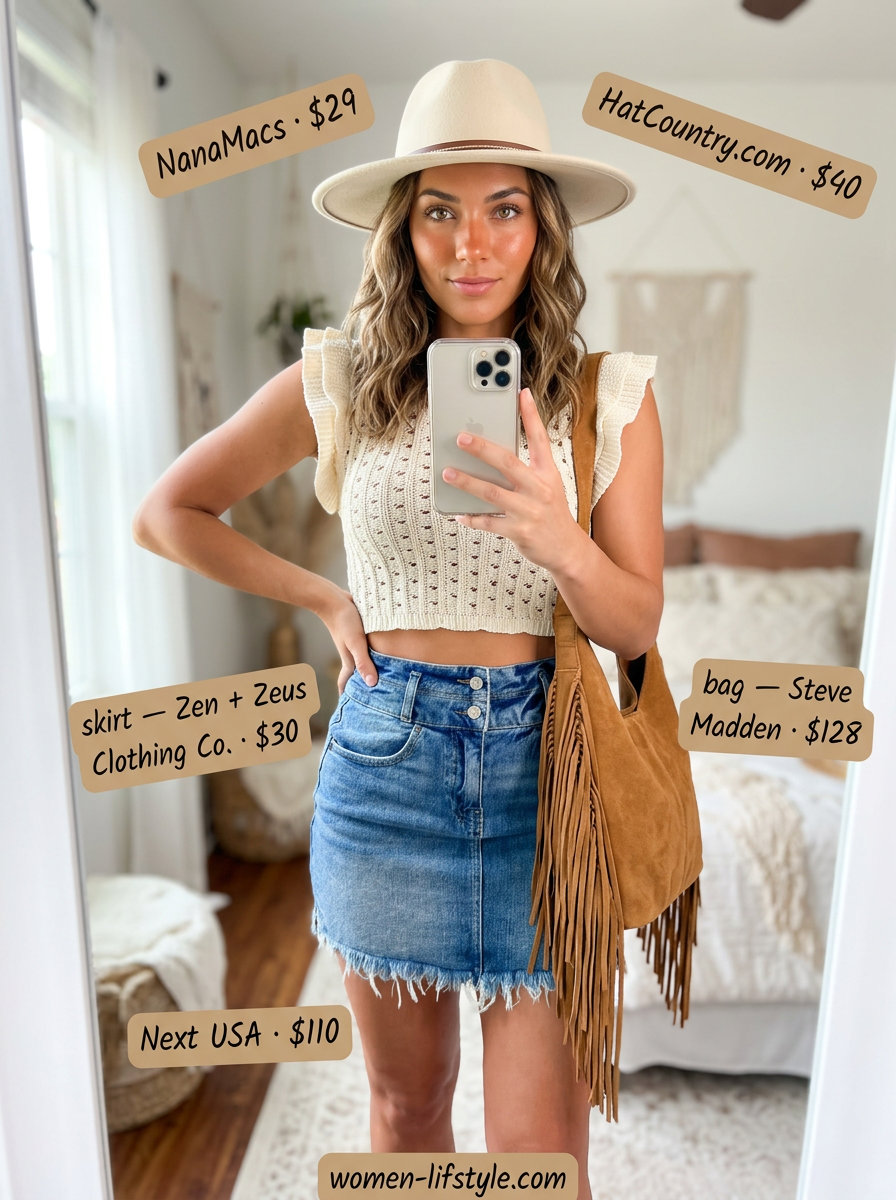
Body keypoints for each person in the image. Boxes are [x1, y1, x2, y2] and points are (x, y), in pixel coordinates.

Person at [134, 59, 663, 1193]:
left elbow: (634, 624)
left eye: (503, 209)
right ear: (403, 228)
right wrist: (324, 597)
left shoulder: (606, 393)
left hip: (550, 782)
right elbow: (166, 512)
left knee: (538, 1155)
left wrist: (556, 537)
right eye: (439, 210)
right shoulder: (336, 378)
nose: (471, 244)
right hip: (385, 764)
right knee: (403, 1107)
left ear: (542, 227)